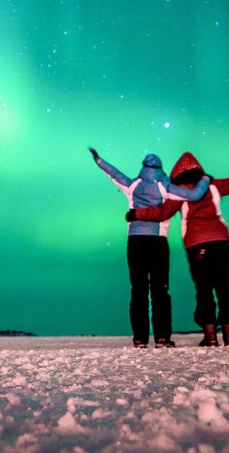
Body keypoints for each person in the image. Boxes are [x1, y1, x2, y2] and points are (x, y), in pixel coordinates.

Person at [127, 152, 229, 346]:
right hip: (220, 240)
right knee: (225, 287)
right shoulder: (213, 185)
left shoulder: (178, 192)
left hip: (196, 243)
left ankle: (210, 336)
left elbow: (162, 212)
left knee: (204, 289)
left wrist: (137, 214)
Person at [90, 147, 211, 348]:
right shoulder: (166, 187)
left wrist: (98, 160)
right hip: (157, 242)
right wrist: (206, 179)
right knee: (160, 290)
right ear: (160, 169)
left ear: (143, 167)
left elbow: (114, 173)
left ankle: (140, 339)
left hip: (135, 242)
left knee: (138, 290)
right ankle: (162, 338)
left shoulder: (133, 185)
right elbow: (195, 195)